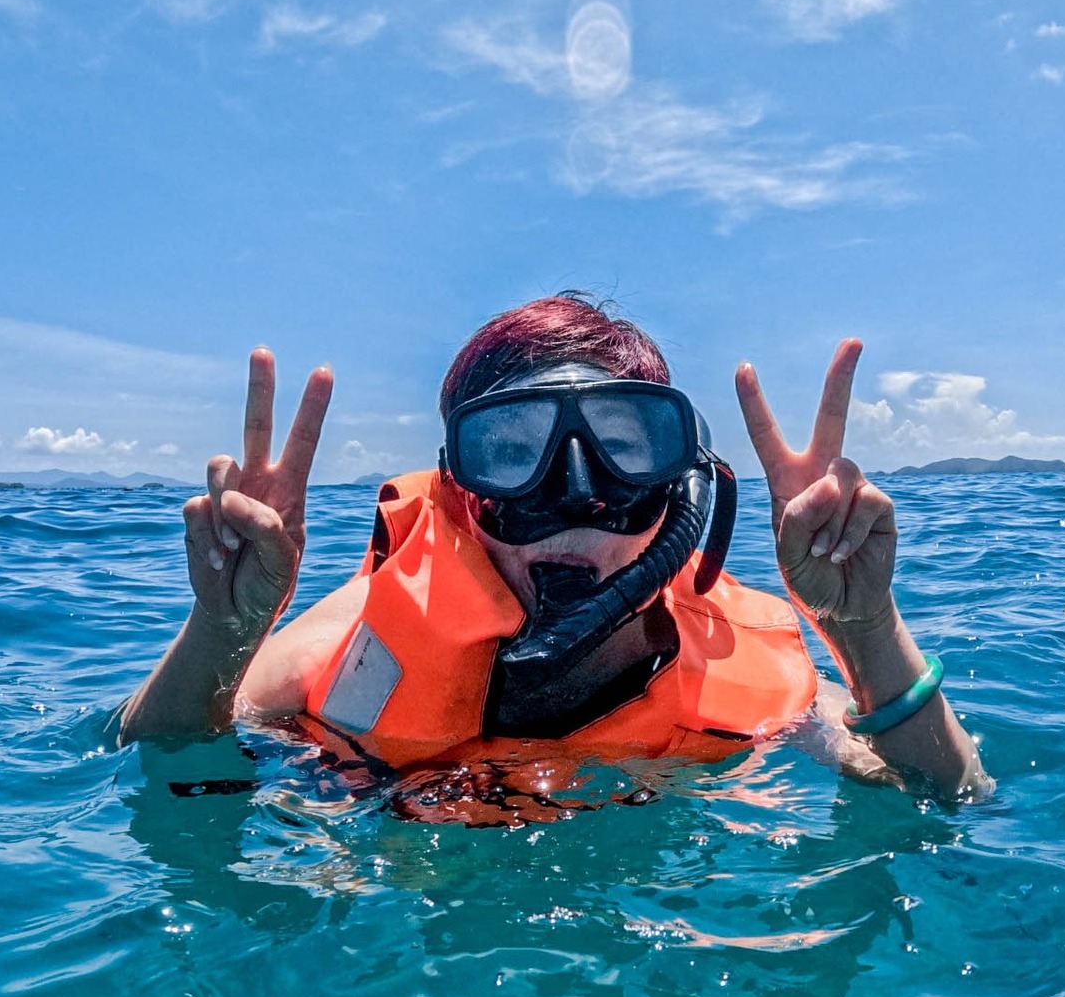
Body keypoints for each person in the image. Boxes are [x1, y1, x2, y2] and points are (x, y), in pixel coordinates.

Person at [125, 296, 990, 806]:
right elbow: (153, 755)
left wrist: (865, 629)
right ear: (461, 491)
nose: (577, 494)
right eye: (512, 451)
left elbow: (950, 798)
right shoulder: (364, 635)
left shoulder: (743, 664)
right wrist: (222, 630)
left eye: (625, 446)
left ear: (680, 482)